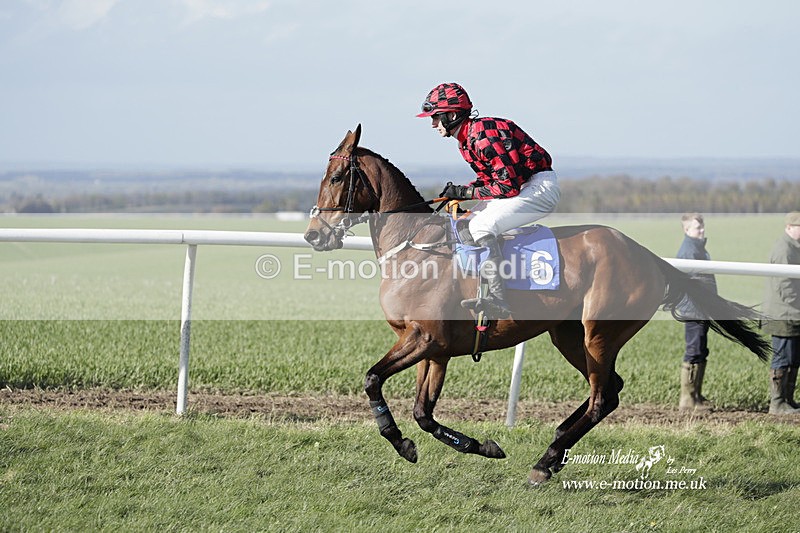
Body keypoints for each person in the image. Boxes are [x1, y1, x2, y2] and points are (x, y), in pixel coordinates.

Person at [416, 82, 560, 318]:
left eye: (435, 117)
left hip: (538, 188)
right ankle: (476, 288)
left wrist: (465, 193)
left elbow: (507, 187)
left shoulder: (483, 136)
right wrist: (461, 191)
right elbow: (489, 180)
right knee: (465, 221)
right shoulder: (467, 139)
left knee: (481, 225)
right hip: (522, 186)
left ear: (452, 115)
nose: (432, 124)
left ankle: (497, 298)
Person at [675, 213, 717, 411]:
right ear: (686, 230)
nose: (702, 231)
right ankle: (687, 399)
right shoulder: (689, 250)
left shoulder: (697, 248)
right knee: (694, 350)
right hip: (694, 310)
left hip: (700, 309)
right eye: (697, 228)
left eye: (702, 227)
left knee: (700, 349)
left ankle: (696, 396)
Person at [761, 211, 800, 415]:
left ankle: (788, 400)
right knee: (782, 358)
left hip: (792, 312)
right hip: (782, 313)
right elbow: (785, 285)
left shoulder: (794, 247)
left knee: (793, 358)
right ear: (789, 228)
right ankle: (777, 403)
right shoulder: (784, 249)